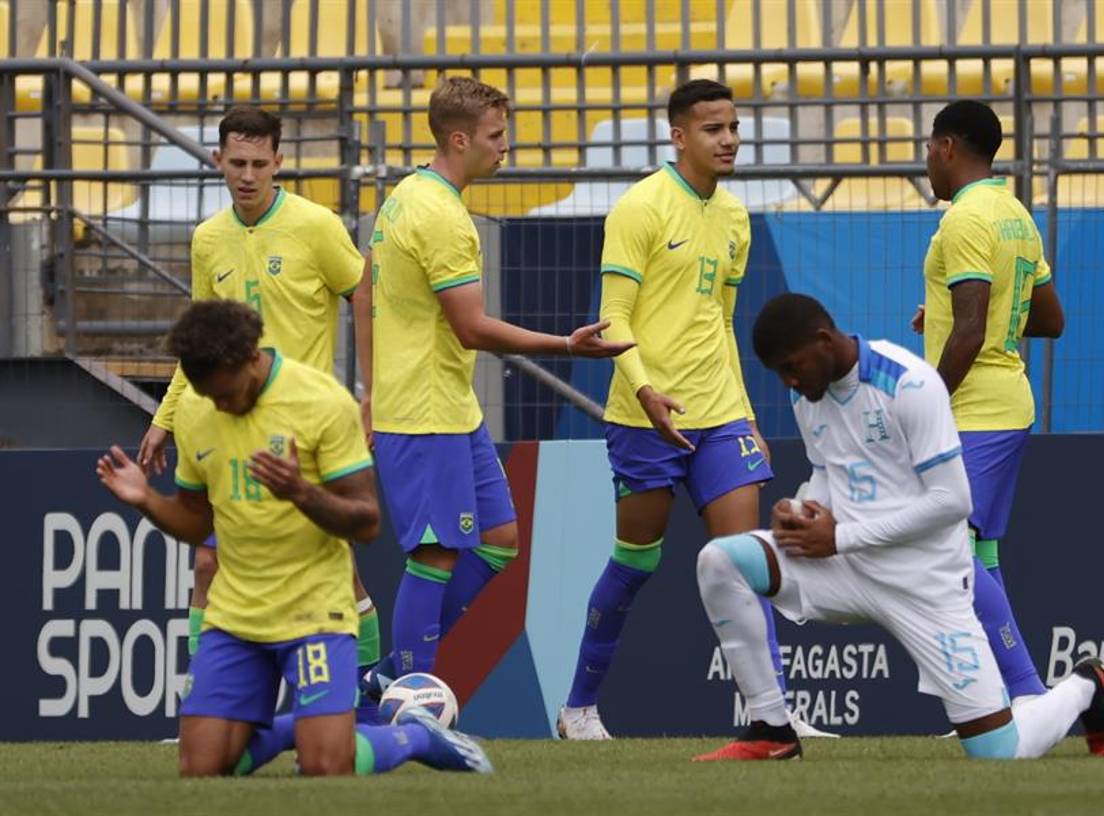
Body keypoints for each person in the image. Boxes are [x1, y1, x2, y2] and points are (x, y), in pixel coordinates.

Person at [691, 293, 1104, 761]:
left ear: (823, 340)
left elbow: (953, 500)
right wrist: (801, 508)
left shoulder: (911, 384)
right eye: (780, 373)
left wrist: (839, 537)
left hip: (926, 582)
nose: (790, 381)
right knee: (720, 561)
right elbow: (828, 474)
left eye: (792, 367)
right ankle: (772, 730)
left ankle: (1083, 688)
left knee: (1000, 752)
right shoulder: (807, 396)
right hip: (846, 568)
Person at [98, 301, 492, 776]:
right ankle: (299, 729)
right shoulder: (198, 410)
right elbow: (196, 523)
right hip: (236, 616)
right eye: (209, 396)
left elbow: (367, 523)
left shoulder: (321, 403)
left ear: (250, 358)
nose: (220, 406)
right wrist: (146, 501)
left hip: (314, 613)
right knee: (200, 769)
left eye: (227, 394)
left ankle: (414, 735)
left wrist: (301, 492)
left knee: (326, 765)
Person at [559, 79, 827, 740]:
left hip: (719, 416)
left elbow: (722, 325)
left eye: (734, 127)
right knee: (635, 564)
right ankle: (578, 710)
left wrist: (750, 420)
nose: (729, 140)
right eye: (713, 129)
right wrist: (647, 392)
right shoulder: (640, 208)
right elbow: (612, 316)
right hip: (644, 414)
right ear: (679, 136)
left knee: (745, 560)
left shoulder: (735, 217)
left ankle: (775, 716)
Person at [353, 76, 630, 694]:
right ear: (459, 138)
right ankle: (411, 693)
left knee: (500, 539)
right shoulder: (443, 217)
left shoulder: (403, 196)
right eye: (496, 135)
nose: (506, 147)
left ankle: (392, 676)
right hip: (425, 412)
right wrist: (565, 344)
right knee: (435, 554)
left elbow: (366, 294)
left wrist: (372, 390)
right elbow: (472, 328)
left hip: (447, 406)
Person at [133, 105, 384, 685]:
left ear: (279, 162)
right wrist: (165, 417)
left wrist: (370, 394)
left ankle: (366, 690)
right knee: (208, 560)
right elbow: (200, 340)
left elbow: (365, 294)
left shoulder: (315, 226)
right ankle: (203, 697)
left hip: (304, 425)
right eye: (235, 163)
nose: (246, 176)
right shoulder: (207, 239)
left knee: (337, 567)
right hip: (227, 421)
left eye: (258, 163)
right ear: (218, 161)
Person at [915, 100, 1066, 703]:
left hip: (974, 411)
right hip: (1007, 404)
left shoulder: (964, 219)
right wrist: (960, 314)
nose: (926, 158)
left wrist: (924, 405)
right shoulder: (1015, 215)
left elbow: (972, 330)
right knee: (978, 552)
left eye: (929, 146)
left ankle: (1030, 694)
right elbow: (1049, 318)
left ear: (948, 147)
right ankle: (999, 700)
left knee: (946, 547)